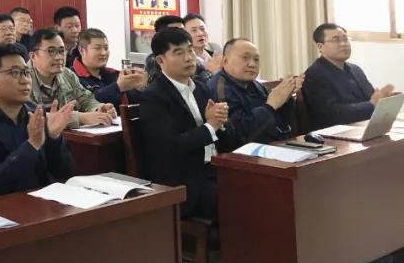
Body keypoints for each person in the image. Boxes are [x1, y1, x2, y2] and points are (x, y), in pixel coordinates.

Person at [138, 28, 240, 222]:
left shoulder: (201, 88)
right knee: (238, 198)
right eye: (179, 53)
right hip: (184, 181)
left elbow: (227, 141)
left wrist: (221, 122)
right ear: (160, 60)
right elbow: (171, 147)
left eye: (190, 50)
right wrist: (211, 126)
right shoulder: (154, 96)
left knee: (261, 183)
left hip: (214, 169)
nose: (189, 58)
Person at [0, 43, 76, 201]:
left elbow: (65, 174)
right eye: (15, 73)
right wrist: (32, 144)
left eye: (26, 72)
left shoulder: (35, 113)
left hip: (36, 203)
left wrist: (54, 138)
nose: (25, 80)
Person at [302, 23, 395, 129]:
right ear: (320, 46)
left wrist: (385, 100)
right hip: (334, 132)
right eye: (336, 40)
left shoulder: (355, 69)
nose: (344, 44)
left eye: (345, 39)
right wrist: (372, 104)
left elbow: (372, 98)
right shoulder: (314, 75)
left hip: (363, 127)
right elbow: (332, 114)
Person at [209, 38, 299, 145]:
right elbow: (237, 136)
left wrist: (285, 98)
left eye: (256, 59)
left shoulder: (256, 85)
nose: (252, 64)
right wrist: (271, 105)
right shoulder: (220, 89)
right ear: (225, 61)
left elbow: (280, 123)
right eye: (245, 58)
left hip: (272, 145)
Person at [27, 28, 116, 127]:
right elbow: (30, 117)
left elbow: (85, 98)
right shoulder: (21, 79)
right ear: (33, 56)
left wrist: (98, 108)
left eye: (61, 51)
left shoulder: (67, 74)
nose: (59, 57)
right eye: (51, 51)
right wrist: (81, 118)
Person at [72, 28, 147, 107]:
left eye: (106, 48)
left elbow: (133, 102)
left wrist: (140, 87)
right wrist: (117, 87)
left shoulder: (114, 74)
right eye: (97, 48)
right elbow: (87, 102)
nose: (103, 53)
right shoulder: (71, 77)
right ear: (81, 50)